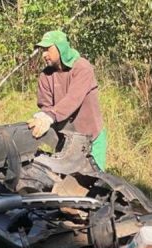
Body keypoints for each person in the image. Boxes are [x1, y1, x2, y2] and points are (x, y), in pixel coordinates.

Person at [27, 30, 108, 170]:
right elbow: (45, 106)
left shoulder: (82, 67)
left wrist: (50, 116)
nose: (44, 54)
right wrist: (42, 118)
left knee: (95, 183)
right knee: (65, 184)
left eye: (48, 49)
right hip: (65, 140)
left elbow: (73, 99)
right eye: (42, 50)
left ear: (61, 47)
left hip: (91, 136)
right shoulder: (46, 75)